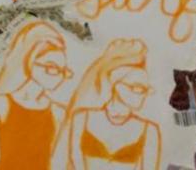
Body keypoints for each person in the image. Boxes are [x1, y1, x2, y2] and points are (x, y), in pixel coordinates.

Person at [0, 20, 73, 169]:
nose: (59, 76)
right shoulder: (0, 104)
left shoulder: (59, 112)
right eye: (52, 67)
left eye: (63, 70)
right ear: (30, 61)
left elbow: (59, 161)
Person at [59, 38, 161, 170]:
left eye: (146, 89)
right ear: (115, 84)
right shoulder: (81, 118)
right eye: (137, 88)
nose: (143, 94)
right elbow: (74, 162)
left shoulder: (149, 130)